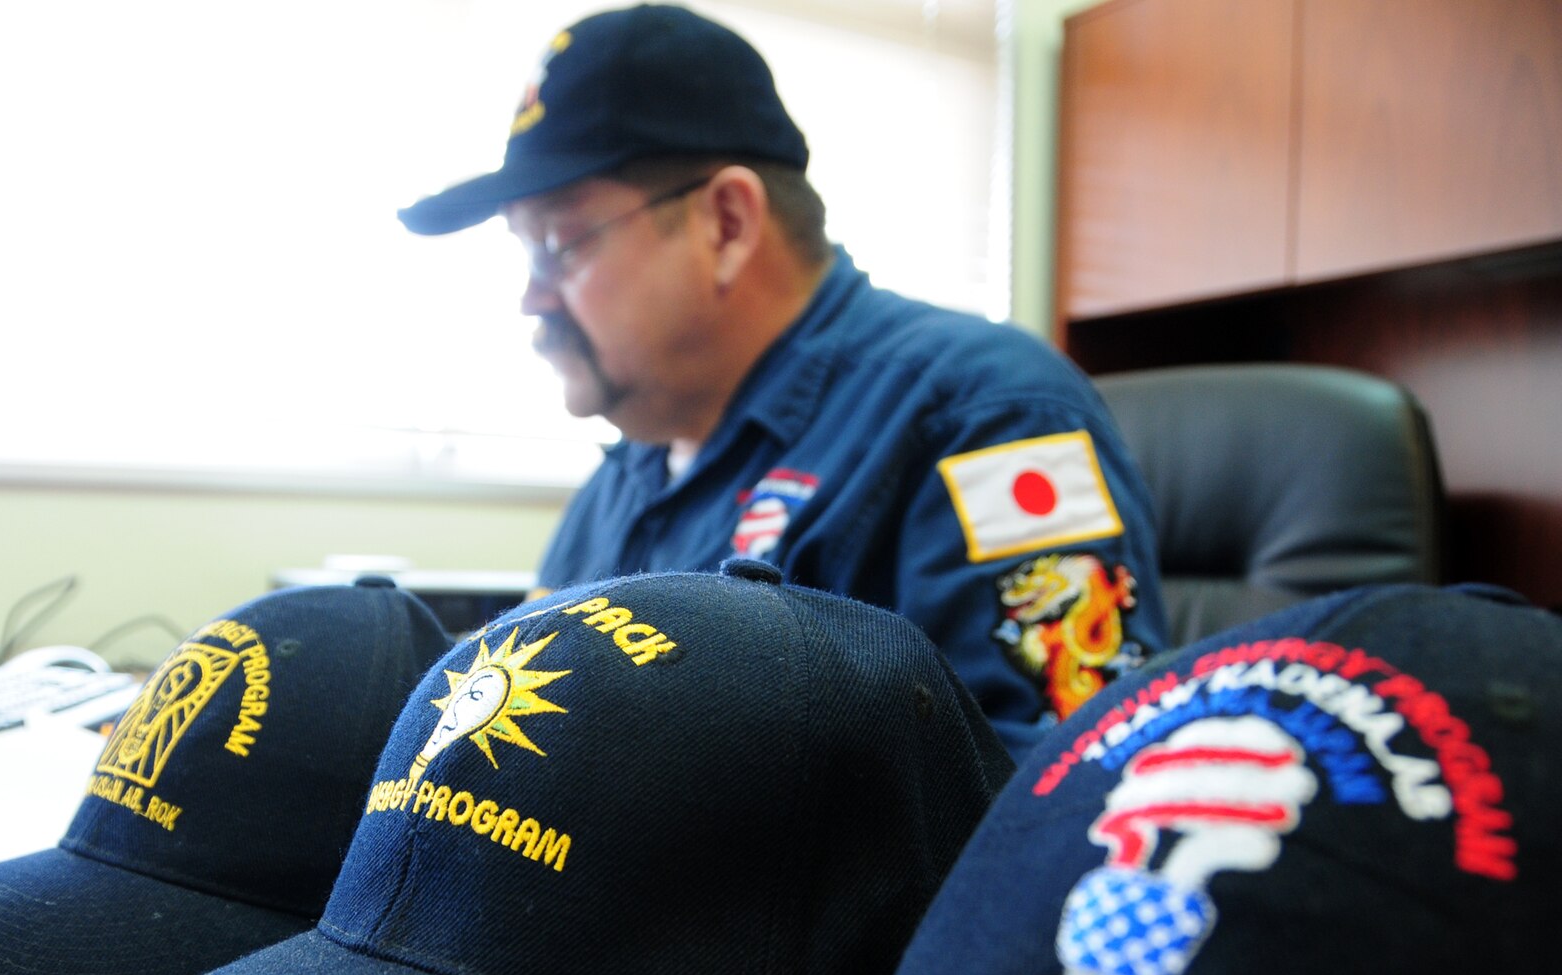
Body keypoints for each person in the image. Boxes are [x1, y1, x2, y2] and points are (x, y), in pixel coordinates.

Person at [398, 3, 1169, 761]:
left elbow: (1063, 791)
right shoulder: (634, 467)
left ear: (727, 224)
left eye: (560, 245)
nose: (532, 296)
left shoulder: (987, 416)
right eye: (525, 254)